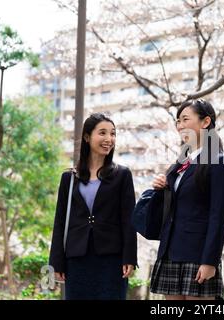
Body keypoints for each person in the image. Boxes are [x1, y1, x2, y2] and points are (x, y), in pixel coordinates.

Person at [150, 99, 224, 300]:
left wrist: (210, 261)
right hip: (171, 251)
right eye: (178, 121)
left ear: (205, 122)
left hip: (198, 255)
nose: (180, 126)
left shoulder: (219, 161)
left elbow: (219, 216)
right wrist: (162, 188)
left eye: (185, 119)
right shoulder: (180, 164)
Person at [49, 113, 137, 300]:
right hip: (77, 259)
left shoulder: (122, 175)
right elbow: (60, 221)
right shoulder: (69, 178)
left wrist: (130, 256)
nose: (109, 139)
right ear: (87, 137)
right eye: (102, 133)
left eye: (113, 134)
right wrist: (56, 261)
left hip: (111, 259)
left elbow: (129, 220)